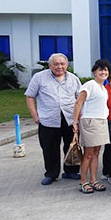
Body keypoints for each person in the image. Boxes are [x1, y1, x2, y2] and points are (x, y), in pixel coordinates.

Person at [25, 53, 82, 185]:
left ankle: (71, 171)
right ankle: (51, 173)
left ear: (67, 65)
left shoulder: (73, 79)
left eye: (62, 64)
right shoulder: (39, 78)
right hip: (48, 119)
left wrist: (79, 116)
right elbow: (29, 96)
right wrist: (35, 115)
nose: (59, 66)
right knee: (49, 148)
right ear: (50, 65)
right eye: (56, 64)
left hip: (69, 118)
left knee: (71, 146)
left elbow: (80, 99)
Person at [72, 59, 111, 194]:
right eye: (100, 69)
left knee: (96, 153)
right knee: (88, 154)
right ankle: (83, 181)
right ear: (95, 71)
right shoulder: (90, 85)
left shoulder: (103, 88)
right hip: (90, 121)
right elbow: (78, 103)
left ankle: (94, 180)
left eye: (106, 70)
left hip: (101, 121)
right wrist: (75, 122)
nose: (103, 72)